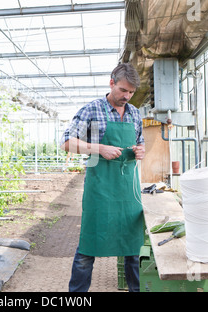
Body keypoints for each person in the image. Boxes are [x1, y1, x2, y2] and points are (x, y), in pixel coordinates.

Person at [60, 63, 145, 292]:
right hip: (100, 189)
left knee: (133, 249)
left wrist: (140, 150)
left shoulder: (135, 113)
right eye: (122, 90)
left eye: (130, 92)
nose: (126, 96)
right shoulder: (92, 109)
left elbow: (140, 143)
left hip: (128, 191)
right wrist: (99, 148)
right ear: (111, 83)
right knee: (88, 247)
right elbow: (67, 143)